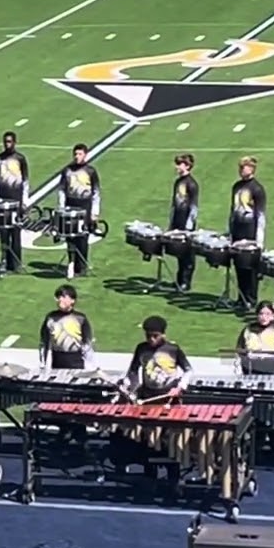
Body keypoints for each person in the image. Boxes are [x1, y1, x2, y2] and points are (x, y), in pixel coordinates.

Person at [112, 316, 193, 471]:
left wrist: (180, 387)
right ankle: (149, 476)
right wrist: (126, 385)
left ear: (163, 334)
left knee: (169, 442)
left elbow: (189, 371)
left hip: (169, 400)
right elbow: (133, 372)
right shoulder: (141, 348)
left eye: (155, 336)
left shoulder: (173, 350)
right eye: (148, 335)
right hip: (147, 399)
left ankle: (173, 478)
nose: (151, 339)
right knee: (148, 442)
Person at [228, 156, 267, 311]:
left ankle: (251, 298)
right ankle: (241, 297)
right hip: (237, 230)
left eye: (244, 167)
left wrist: (259, 239)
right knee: (239, 266)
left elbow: (261, 215)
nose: (241, 170)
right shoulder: (236, 186)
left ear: (251, 169)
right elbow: (233, 209)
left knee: (250, 268)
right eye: (240, 167)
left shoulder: (257, 189)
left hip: (250, 231)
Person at [57, 143, 100, 279]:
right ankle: (71, 263)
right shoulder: (67, 171)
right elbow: (62, 190)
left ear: (85, 155)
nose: (77, 157)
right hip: (71, 205)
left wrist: (95, 212)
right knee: (70, 236)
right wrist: (62, 208)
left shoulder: (91, 171)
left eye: (80, 154)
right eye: (75, 154)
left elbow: (96, 193)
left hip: (85, 206)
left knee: (83, 237)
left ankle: (82, 266)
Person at [0, 131, 29, 273]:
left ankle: (17, 262)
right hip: (2, 201)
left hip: (17, 200)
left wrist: (24, 201)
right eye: (5, 141)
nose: (7, 144)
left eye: (10, 141)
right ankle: (5, 260)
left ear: (14, 142)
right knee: (4, 233)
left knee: (16, 232)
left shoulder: (20, 158)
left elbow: (25, 181)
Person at [39, 284, 95, 370]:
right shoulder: (50, 318)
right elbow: (44, 342)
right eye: (58, 297)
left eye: (62, 296)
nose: (59, 300)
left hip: (76, 361)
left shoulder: (80, 318)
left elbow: (87, 343)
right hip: (57, 361)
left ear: (72, 300)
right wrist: (43, 363)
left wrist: (90, 366)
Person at [168, 153, 199, 292]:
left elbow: (193, 206)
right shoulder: (178, 182)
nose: (176, 167)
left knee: (187, 255)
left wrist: (189, 226)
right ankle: (179, 280)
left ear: (187, 166)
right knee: (179, 253)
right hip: (177, 221)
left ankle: (186, 282)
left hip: (186, 224)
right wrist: (171, 222)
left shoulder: (191, 184)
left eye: (179, 164)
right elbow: (174, 204)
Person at [236, 302, 274, 375]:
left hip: (270, 369)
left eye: (267, 314)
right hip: (250, 368)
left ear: (273, 315)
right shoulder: (248, 329)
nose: (264, 317)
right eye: (261, 314)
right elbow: (240, 348)